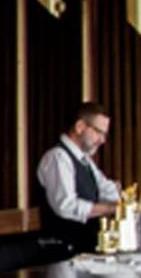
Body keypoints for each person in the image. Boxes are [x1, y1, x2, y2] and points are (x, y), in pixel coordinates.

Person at [36, 102, 121, 254]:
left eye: (105, 135)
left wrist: (126, 201)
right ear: (80, 126)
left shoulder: (85, 161)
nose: (103, 140)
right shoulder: (57, 157)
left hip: (83, 250)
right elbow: (66, 206)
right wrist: (110, 208)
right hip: (61, 252)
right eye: (99, 132)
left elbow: (107, 190)